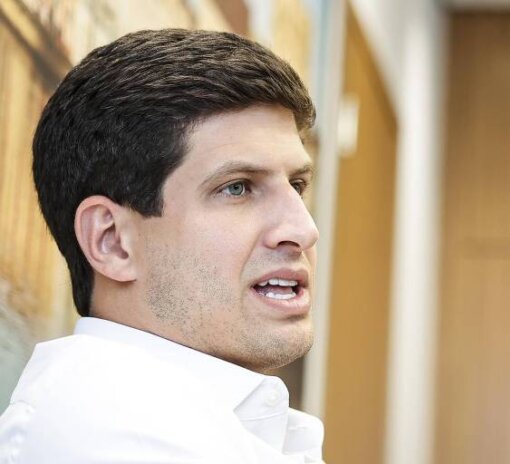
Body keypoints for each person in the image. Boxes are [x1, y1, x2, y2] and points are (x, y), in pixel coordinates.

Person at [0, 29, 324, 463]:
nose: (303, 229)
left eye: (297, 186)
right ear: (112, 241)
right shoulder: (110, 433)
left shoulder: (202, 422)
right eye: (237, 188)